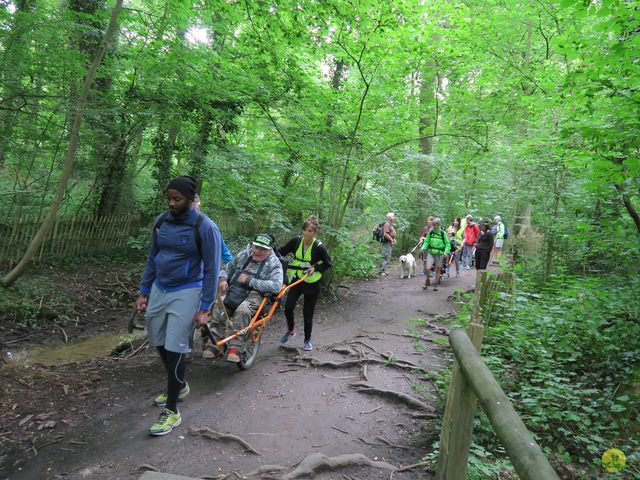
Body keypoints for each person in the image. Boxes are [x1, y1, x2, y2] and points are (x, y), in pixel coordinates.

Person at [135, 175, 222, 436]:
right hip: (161, 287)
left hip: (188, 289)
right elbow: (153, 257)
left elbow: (212, 268)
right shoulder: (161, 222)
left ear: (190, 200)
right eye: (169, 198)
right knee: (157, 338)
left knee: (175, 345)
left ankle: (172, 411)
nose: (172, 203)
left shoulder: (205, 227)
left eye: (178, 199)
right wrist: (144, 290)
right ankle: (180, 384)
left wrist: (206, 306)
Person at [207, 233, 283, 362]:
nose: (258, 251)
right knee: (219, 306)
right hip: (234, 291)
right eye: (256, 247)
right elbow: (226, 269)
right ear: (252, 245)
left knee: (242, 311)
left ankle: (235, 348)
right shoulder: (243, 255)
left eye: (263, 249)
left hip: (256, 295)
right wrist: (223, 279)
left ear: (269, 250)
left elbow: (276, 286)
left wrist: (250, 281)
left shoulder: (274, 264)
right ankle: (216, 344)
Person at [278, 215, 333, 351]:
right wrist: (269, 250)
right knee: (288, 307)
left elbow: (328, 263)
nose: (307, 233)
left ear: (315, 233)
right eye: (305, 230)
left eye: (310, 231)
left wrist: (315, 268)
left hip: (312, 283)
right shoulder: (296, 241)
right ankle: (291, 330)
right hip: (297, 279)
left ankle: (307, 340)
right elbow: (281, 251)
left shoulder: (319, 247)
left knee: (307, 313)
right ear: (302, 230)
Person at [193, 193, 233, 264]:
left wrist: (233, 268)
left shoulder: (208, 226)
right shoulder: (173, 224)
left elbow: (224, 251)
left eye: (196, 208)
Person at [421, 218, 450, 291]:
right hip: (431, 252)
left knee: (438, 269)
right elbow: (426, 241)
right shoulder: (430, 232)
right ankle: (427, 281)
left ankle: (436, 284)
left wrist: (446, 252)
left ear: (439, 225)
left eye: (435, 225)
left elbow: (447, 244)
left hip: (440, 253)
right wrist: (424, 247)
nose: (434, 226)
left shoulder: (443, 233)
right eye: (433, 225)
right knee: (428, 268)